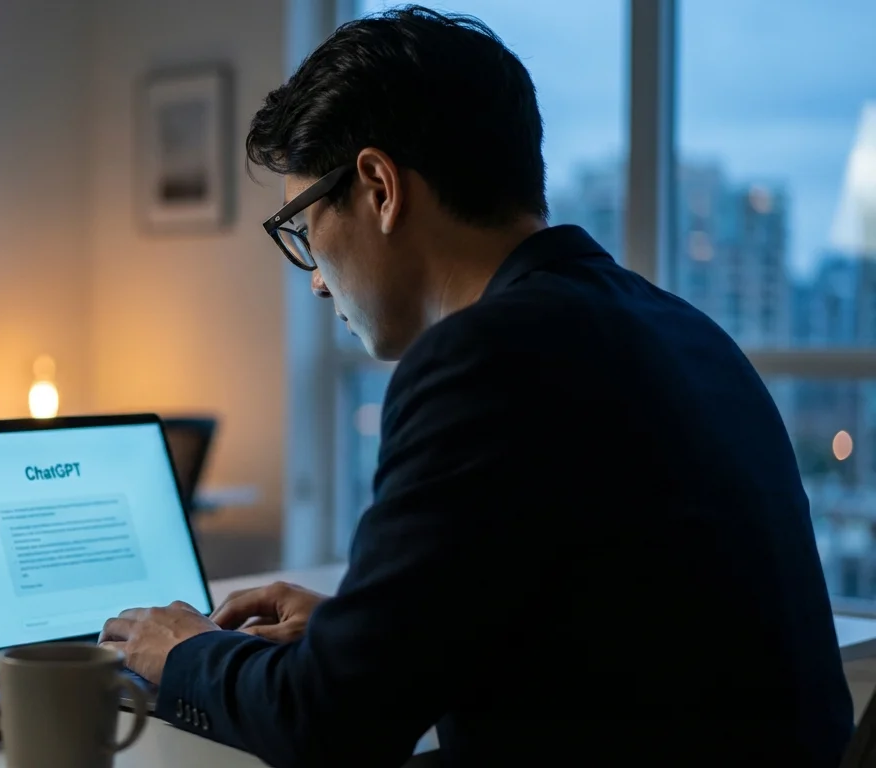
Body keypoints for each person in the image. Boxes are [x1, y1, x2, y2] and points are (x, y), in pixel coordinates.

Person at [98, 5, 853, 767]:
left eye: (301, 226)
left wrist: (184, 651)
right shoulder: (684, 332)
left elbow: (327, 726)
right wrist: (360, 630)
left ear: (379, 187)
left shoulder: (481, 360)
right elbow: (619, 635)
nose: (318, 283)